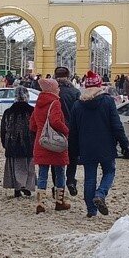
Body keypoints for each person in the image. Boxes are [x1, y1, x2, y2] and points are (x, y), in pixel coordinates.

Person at [70, 72, 129, 217]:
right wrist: (124, 144)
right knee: (109, 171)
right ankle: (101, 193)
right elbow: (116, 125)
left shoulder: (77, 105)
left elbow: (73, 132)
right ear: (99, 86)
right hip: (106, 145)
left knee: (90, 177)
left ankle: (91, 210)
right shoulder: (108, 102)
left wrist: (73, 151)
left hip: (86, 147)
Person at [30, 77, 70, 213]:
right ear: (52, 89)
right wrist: (66, 130)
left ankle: (40, 203)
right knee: (60, 173)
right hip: (55, 142)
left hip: (41, 141)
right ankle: (59, 202)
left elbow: (32, 125)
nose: (59, 89)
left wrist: (42, 130)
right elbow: (55, 121)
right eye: (57, 87)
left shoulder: (38, 103)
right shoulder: (55, 103)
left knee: (42, 173)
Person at [1, 86, 37, 198]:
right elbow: (36, 128)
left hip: (12, 144)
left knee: (15, 166)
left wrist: (4, 144)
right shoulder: (32, 111)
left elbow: (3, 130)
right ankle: (26, 186)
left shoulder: (8, 112)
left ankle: (17, 188)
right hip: (29, 144)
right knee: (28, 166)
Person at [54, 66, 81, 196]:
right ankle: (70, 180)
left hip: (55, 129)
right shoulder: (75, 92)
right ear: (68, 77)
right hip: (72, 130)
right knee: (72, 157)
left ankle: (56, 185)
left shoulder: (53, 92)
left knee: (56, 158)